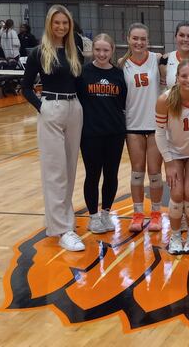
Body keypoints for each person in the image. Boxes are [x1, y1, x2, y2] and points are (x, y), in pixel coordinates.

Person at [21, 5, 85, 252]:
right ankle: (63, 229)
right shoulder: (39, 52)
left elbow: (78, 84)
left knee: (69, 168)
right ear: (50, 24)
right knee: (55, 171)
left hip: (74, 108)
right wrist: (42, 108)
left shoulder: (73, 50)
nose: (61, 27)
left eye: (65, 23)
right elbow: (26, 87)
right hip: (52, 106)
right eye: (57, 23)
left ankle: (62, 221)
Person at [155, 59, 189, 254]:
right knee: (177, 195)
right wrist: (168, 162)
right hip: (174, 152)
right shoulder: (165, 99)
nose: (188, 79)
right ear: (176, 78)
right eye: (184, 76)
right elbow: (159, 133)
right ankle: (176, 236)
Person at [76, 34, 127, 234]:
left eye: (106, 50)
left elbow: (123, 102)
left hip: (114, 132)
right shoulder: (83, 73)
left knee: (111, 175)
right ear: (93, 50)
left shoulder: (119, 75)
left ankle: (106, 214)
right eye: (98, 50)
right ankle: (94, 217)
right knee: (93, 175)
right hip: (90, 133)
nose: (102, 54)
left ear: (112, 51)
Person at [119, 23, 164, 233]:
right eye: (135, 38)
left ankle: (155, 213)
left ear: (148, 41)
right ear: (128, 38)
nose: (139, 42)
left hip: (155, 126)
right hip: (133, 125)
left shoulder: (157, 60)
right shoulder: (122, 64)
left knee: (155, 173)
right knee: (137, 172)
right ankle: (137, 214)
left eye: (143, 39)